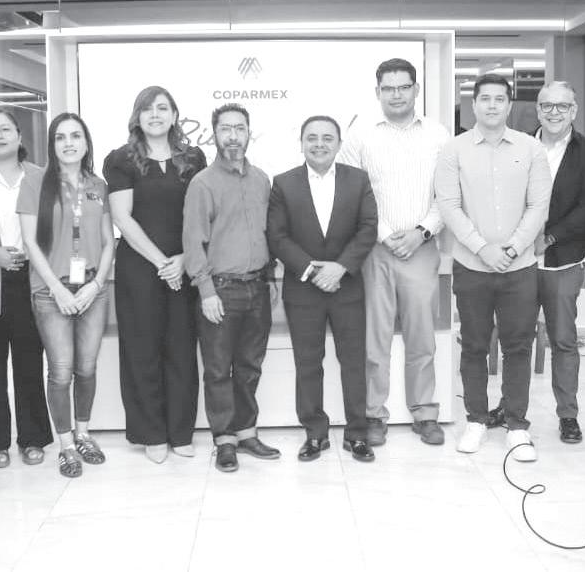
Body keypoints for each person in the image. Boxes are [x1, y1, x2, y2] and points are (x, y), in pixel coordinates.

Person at [435, 74, 550, 461]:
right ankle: (476, 420)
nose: (492, 105)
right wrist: (483, 249)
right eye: (484, 99)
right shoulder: (453, 150)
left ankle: (516, 425)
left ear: (509, 104)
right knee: (474, 345)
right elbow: (449, 206)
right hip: (472, 266)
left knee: (518, 345)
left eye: (500, 99)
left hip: (520, 267)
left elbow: (538, 205)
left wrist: (513, 248)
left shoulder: (532, 149)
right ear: (474, 105)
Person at [337, 58, 450, 447]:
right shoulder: (360, 137)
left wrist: (421, 232)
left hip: (422, 248)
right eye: (389, 88)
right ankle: (373, 414)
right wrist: (385, 235)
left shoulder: (438, 135)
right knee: (375, 339)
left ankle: (425, 413)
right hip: (373, 250)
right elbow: (351, 193)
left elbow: (447, 194)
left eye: (404, 87)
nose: (397, 95)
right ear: (378, 92)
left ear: (416, 90)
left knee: (422, 337)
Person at [484, 81, 585, 445]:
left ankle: (568, 415)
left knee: (563, 340)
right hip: (517, 260)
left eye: (562, 106)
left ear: (574, 110)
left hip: (561, 261)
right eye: (547, 105)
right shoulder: (518, 145)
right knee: (515, 339)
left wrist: (548, 237)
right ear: (537, 109)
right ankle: (509, 406)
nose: (554, 112)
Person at [103, 86, 207, 463]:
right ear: (137, 117)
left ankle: (181, 431)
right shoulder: (121, 159)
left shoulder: (193, 158)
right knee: (142, 350)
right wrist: (163, 262)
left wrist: (183, 258)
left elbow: (200, 214)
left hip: (184, 265)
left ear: (175, 115)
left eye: (163, 108)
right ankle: (151, 433)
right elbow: (122, 217)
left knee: (181, 349)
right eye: (147, 109)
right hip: (140, 268)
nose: (155, 115)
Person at [267, 115, 379, 463]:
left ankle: (357, 434)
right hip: (304, 288)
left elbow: (368, 228)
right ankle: (315, 433)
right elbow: (277, 236)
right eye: (312, 138)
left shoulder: (357, 179)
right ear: (301, 143)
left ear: (339, 144)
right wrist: (312, 270)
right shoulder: (283, 183)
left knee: (353, 361)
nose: (319, 144)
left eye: (327, 138)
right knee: (307, 362)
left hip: (347, 286)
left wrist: (340, 267)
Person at [183, 103, 279, 473]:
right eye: (226, 129)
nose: (233, 136)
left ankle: (247, 432)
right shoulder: (203, 184)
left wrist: (270, 278)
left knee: (250, 366)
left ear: (249, 133)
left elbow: (267, 233)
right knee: (219, 370)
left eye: (240, 128)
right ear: (215, 134)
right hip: (220, 291)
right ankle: (224, 440)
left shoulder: (262, 180)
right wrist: (206, 291)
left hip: (258, 287)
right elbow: (193, 242)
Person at [20, 113, 116, 479]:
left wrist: (96, 284)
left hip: (93, 289)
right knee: (60, 371)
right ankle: (66, 445)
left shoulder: (98, 185)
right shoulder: (36, 182)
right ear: (52, 144)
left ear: (86, 143)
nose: (69, 143)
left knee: (86, 368)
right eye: (60, 137)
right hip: (51, 292)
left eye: (76, 136)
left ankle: (84, 434)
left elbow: (108, 242)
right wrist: (57, 289)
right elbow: (30, 243)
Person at [0, 110, 53, 470]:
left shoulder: (41, 176)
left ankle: (33, 438)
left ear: (19, 136)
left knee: (30, 363)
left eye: (5, 129)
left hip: (31, 279)